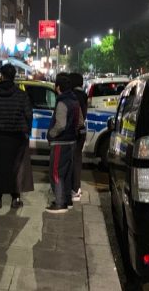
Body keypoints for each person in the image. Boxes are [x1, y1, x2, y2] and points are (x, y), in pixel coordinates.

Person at [0, 64, 34, 208]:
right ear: (14, 76)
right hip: (16, 138)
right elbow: (29, 115)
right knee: (16, 169)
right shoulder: (21, 95)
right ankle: (15, 199)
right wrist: (27, 131)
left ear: (2, 76)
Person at [45, 74, 84, 213]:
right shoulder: (75, 101)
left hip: (60, 143)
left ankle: (60, 203)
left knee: (56, 172)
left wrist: (51, 134)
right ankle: (67, 201)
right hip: (72, 142)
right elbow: (80, 122)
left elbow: (60, 124)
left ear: (58, 87)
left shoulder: (62, 102)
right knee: (67, 173)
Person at [69, 72, 88, 201]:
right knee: (77, 159)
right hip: (81, 131)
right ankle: (77, 188)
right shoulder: (84, 95)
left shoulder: (74, 95)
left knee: (73, 160)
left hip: (75, 131)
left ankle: (75, 189)